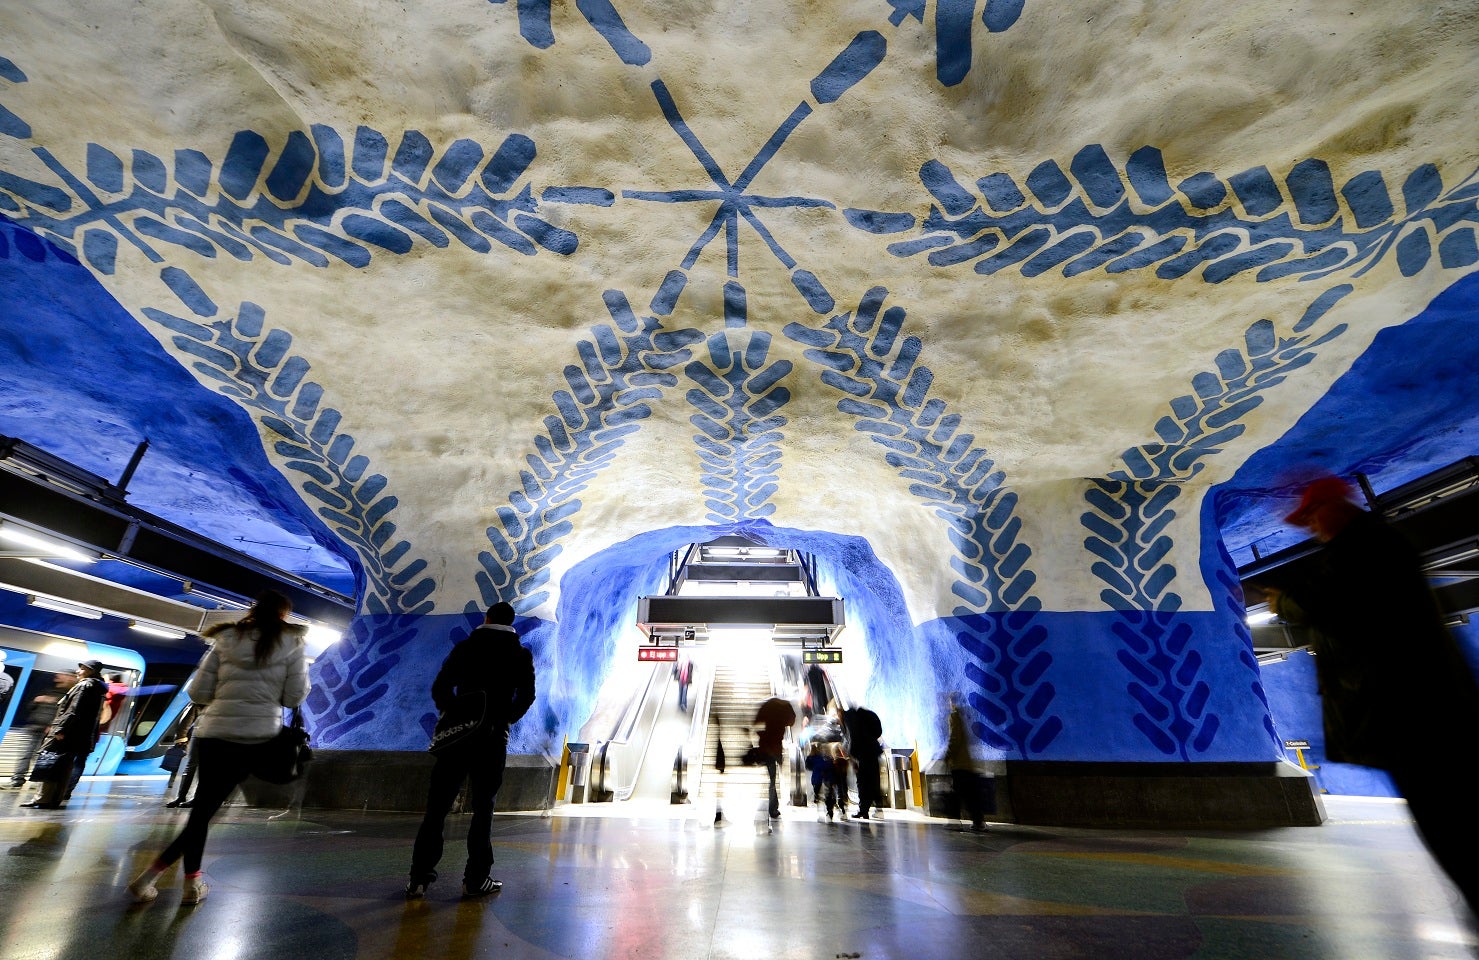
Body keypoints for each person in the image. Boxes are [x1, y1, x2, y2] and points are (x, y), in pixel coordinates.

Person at [1261, 475, 1479, 917]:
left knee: (1451, 820)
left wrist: (1284, 602)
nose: (1312, 528)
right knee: (1450, 815)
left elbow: (1328, 602)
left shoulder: (1362, 550)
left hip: (1410, 709)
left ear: (1334, 507)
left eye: (1313, 516)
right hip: (1420, 708)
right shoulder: (1377, 545)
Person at [128, 590, 309, 905]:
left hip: (214, 733)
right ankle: (165, 881)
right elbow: (293, 697)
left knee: (203, 812)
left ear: (254, 609)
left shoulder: (225, 638)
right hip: (255, 737)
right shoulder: (292, 644)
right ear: (283, 615)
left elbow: (198, 691)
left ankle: (180, 882)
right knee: (205, 814)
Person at [405, 600, 535, 900]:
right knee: (483, 809)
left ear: (487, 618)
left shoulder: (464, 648)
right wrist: (503, 718)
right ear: (511, 622)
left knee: (436, 809)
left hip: (458, 739)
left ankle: (418, 878)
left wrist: (457, 713)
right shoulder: (519, 653)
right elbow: (527, 695)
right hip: (492, 741)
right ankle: (476, 879)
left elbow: (440, 688)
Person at [22, 661, 107, 809]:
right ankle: (55, 799)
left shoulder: (83, 686)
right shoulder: (98, 687)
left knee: (50, 763)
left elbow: (73, 710)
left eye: (82, 669)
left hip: (68, 733)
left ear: (90, 671)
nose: (78, 671)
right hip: (79, 734)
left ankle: (42, 799)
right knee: (64, 768)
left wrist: (61, 730)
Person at [9, 673, 68, 788]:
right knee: (26, 754)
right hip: (34, 727)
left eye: (61, 675)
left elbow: (62, 713)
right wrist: (36, 701)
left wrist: (53, 725)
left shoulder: (66, 695)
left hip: (49, 730)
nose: (57, 677)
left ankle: (38, 780)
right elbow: (30, 707)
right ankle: (18, 778)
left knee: (42, 756)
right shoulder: (48, 690)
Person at [945, 693, 987, 831]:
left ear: (953, 703)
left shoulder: (955, 716)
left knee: (957, 793)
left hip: (959, 762)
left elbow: (954, 738)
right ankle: (979, 822)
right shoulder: (970, 716)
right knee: (971, 795)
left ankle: (955, 822)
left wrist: (947, 755)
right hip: (970, 762)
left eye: (951, 701)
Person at [753, 695, 796, 820]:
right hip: (776, 746)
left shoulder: (768, 705)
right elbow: (791, 721)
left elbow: (756, 722)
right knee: (772, 778)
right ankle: (773, 808)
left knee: (771, 778)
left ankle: (771, 806)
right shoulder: (785, 706)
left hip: (765, 745)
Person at [841, 703, 884, 820]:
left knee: (863, 781)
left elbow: (853, 737)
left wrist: (852, 756)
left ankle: (864, 811)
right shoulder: (868, 715)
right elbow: (878, 731)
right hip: (873, 751)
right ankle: (877, 808)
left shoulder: (850, 718)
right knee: (873, 780)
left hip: (862, 754)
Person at [166, 703, 202, 808]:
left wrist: (181, 739)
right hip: (205, 737)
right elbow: (185, 723)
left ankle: (182, 797)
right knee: (196, 769)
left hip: (199, 736)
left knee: (191, 768)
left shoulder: (199, 702)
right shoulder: (200, 704)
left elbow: (185, 723)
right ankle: (188, 797)